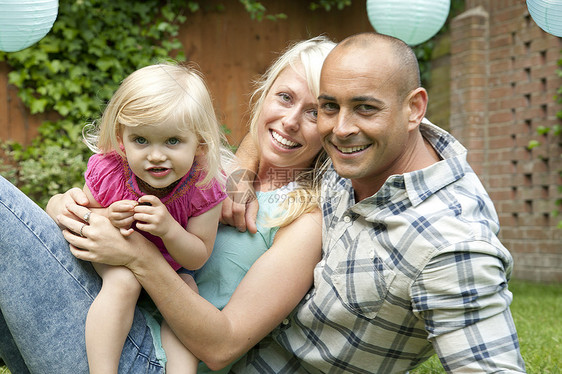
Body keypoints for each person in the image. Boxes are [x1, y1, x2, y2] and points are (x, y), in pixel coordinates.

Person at [0, 36, 333, 373]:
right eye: (285, 97)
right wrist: (65, 207)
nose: (290, 121)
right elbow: (105, 201)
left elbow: (223, 347)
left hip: (151, 356)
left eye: (315, 111)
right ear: (264, 94)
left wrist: (137, 254)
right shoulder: (212, 169)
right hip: (107, 320)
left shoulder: (306, 221)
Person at [220, 32, 527, 372]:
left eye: (364, 108)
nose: (340, 128)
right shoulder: (359, 147)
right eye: (329, 107)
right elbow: (275, 126)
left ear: (415, 109)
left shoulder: (450, 245)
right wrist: (242, 171)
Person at [55, 62, 230, 373]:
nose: (156, 155)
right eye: (141, 140)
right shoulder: (110, 170)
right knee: (124, 282)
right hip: (116, 258)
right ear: (122, 137)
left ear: (200, 142)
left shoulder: (204, 186)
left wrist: (169, 230)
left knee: (187, 295)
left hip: (170, 271)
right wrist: (108, 214)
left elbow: (197, 257)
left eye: (173, 141)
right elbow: (88, 216)